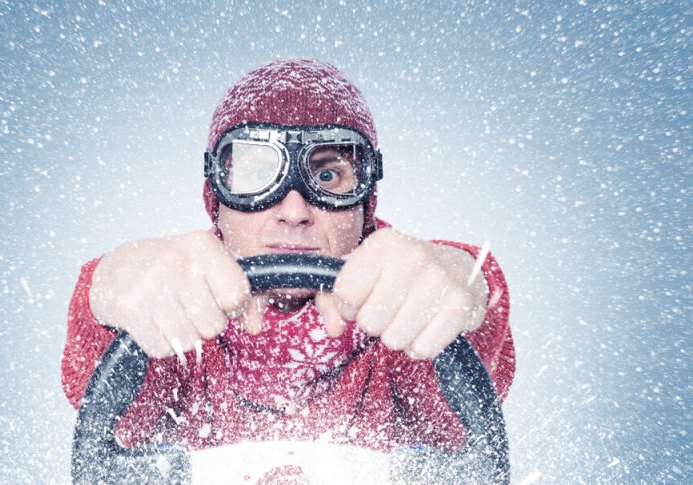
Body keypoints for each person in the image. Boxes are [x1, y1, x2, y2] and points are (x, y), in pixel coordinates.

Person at [61, 59, 515, 454]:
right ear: (215, 196)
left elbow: (459, 411)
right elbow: (114, 418)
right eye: (259, 174)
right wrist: (105, 294)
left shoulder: (397, 323)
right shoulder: (179, 309)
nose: (294, 210)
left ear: (366, 201)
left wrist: (469, 282)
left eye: (329, 174)